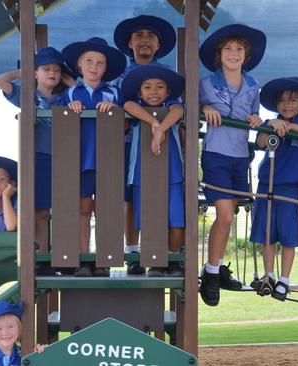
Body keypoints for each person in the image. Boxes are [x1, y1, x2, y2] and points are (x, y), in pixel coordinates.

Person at [198, 24, 267, 306]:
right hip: (216, 152)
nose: (234, 53)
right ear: (219, 54)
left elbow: (255, 116)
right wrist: (205, 108)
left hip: (241, 156)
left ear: (246, 55)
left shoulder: (253, 86)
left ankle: (216, 265)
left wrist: (258, 121)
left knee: (231, 215)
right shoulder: (206, 83)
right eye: (228, 49)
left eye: (239, 49)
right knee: (224, 215)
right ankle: (211, 274)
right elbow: (193, 108)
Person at [112, 15, 177, 275]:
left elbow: (176, 107)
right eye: (138, 35)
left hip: (159, 145)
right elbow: (118, 107)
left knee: (158, 195)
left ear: (158, 44)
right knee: (131, 195)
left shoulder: (167, 76)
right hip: (127, 143)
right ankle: (133, 251)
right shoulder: (119, 76)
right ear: (130, 42)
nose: (144, 41)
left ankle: (157, 250)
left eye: (150, 36)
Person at [0, 47, 74, 254]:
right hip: (37, 157)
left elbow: (81, 91)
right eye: (46, 69)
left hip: (63, 158)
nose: (52, 73)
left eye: (57, 70)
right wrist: (24, 73)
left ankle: (63, 253)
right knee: (39, 211)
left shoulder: (65, 96)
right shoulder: (26, 94)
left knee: (64, 208)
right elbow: (0, 81)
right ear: (36, 73)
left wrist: (69, 81)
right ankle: (42, 255)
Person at [250, 77, 298, 301]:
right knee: (267, 234)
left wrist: (292, 127)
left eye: (292, 100)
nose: (287, 105)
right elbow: (261, 142)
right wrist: (270, 124)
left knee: (289, 234)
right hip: (267, 184)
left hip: (290, 187)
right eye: (281, 101)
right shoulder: (272, 123)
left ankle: (284, 278)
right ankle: (268, 275)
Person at [61, 37, 126, 277]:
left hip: (108, 157)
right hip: (79, 156)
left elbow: (127, 127)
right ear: (79, 65)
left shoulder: (113, 93)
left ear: (106, 68)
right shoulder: (69, 94)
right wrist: (70, 110)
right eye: (89, 61)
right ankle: (83, 259)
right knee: (83, 206)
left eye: (100, 62)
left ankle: (104, 258)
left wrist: (116, 112)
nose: (94, 66)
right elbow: (60, 124)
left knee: (106, 207)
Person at [122, 64, 185, 277]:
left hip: (172, 172)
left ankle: (172, 257)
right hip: (142, 173)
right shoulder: (137, 109)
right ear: (140, 92)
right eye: (147, 87)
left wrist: (162, 129)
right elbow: (128, 105)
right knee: (148, 217)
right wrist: (153, 123)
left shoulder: (172, 107)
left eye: (160, 87)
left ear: (168, 92)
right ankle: (155, 261)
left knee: (176, 219)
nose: (154, 91)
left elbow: (179, 110)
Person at [0, 300, 45, 366]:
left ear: (19, 328)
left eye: (10, 326)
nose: (5, 333)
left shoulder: (25, 354)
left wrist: (39, 356)